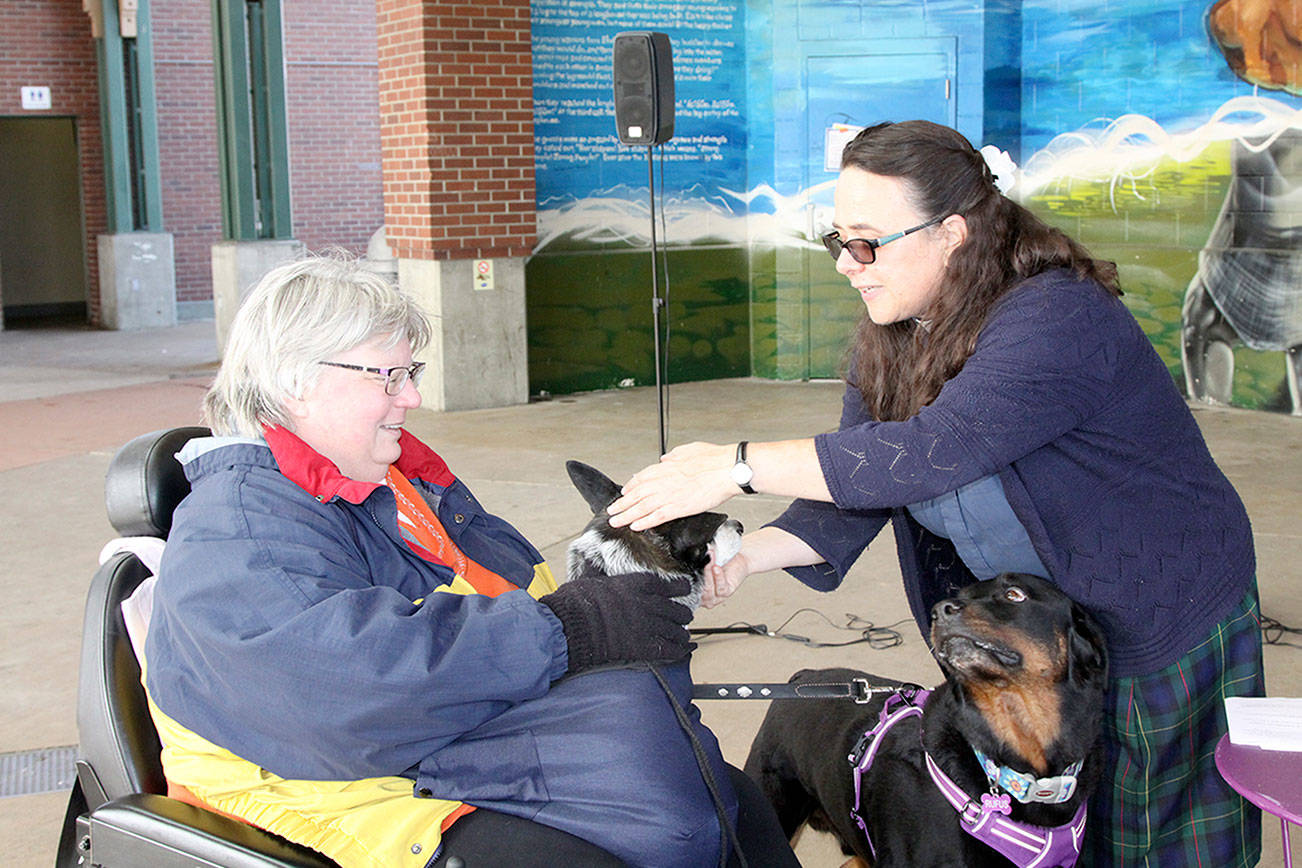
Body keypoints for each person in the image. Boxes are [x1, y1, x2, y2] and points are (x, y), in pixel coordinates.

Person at [608, 120, 1266, 867]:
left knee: (1149, 838)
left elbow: (930, 453)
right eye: (836, 242)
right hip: (1029, 623)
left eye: (867, 242)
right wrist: (743, 556)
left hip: (1154, 608)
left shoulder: (1057, 316)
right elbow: (859, 483)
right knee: (1045, 835)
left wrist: (734, 465)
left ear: (951, 232)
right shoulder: (893, 332)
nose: (848, 266)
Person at [143, 255, 799, 868]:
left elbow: (505, 587)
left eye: (411, 373)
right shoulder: (242, 525)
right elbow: (344, 691)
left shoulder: (395, 479)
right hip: (318, 784)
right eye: (388, 376)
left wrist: (609, 590)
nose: (412, 398)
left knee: (732, 807)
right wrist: (571, 630)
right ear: (296, 382)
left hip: (447, 733)